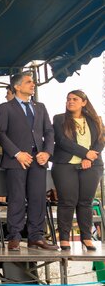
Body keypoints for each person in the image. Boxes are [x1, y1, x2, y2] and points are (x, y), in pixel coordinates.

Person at [0, 72, 56, 251]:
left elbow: (49, 132)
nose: (33, 84)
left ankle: (36, 237)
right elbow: (0, 134)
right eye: (28, 82)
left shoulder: (40, 107)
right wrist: (17, 153)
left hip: (38, 160)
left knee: (38, 198)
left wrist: (47, 152)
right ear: (17, 86)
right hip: (16, 160)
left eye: (33, 82)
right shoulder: (6, 107)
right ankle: (14, 236)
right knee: (17, 198)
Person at [51, 90, 103, 251]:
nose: (70, 101)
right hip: (65, 165)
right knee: (67, 201)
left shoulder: (95, 120)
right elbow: (62, 141)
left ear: (84, 102)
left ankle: (86, 237)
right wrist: (85, 153)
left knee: (86, 202)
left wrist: (90, 158)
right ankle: (64, 238)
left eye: (75, 99)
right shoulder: (59, 119)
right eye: (68, 99)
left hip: (92, 166)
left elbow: (101, 140)